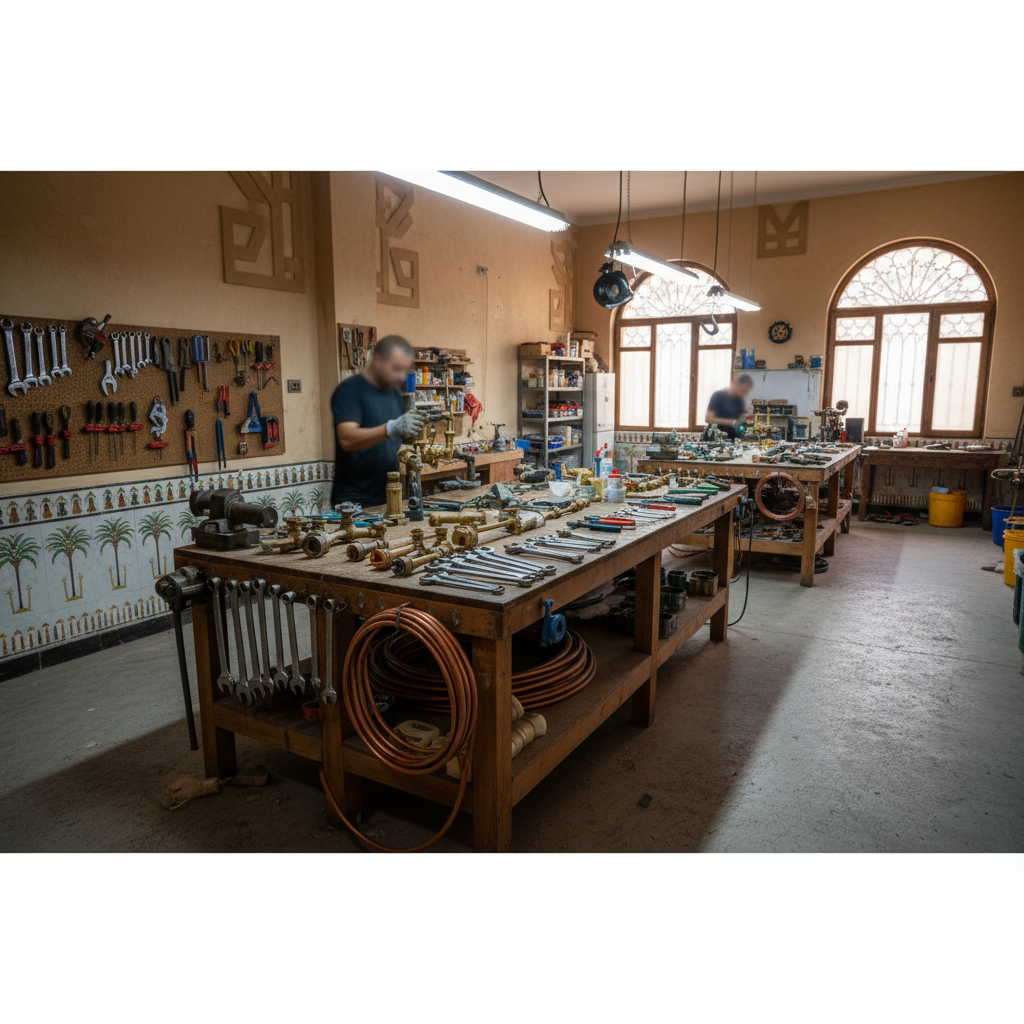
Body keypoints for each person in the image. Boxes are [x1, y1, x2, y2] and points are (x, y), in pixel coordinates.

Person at [330, 335, 426, 509]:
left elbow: (390, 441)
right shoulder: (350, 390)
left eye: (405, 371)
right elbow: (347, 439)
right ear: (377, 360)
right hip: (354, 502)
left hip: (388, 495)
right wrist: (391, 428)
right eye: (397, 368)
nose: (402, 376)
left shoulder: (393, 393)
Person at [704, 373, 755, 439]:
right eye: (743, 391)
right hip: (716, 438)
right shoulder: (718, 396)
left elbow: (740, 417)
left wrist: (746, 417)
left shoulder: (739, 401)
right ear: (736, 385)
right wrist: (732, 422)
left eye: (746, 392)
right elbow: (708, 419)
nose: (744, 394)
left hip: (731, 438)